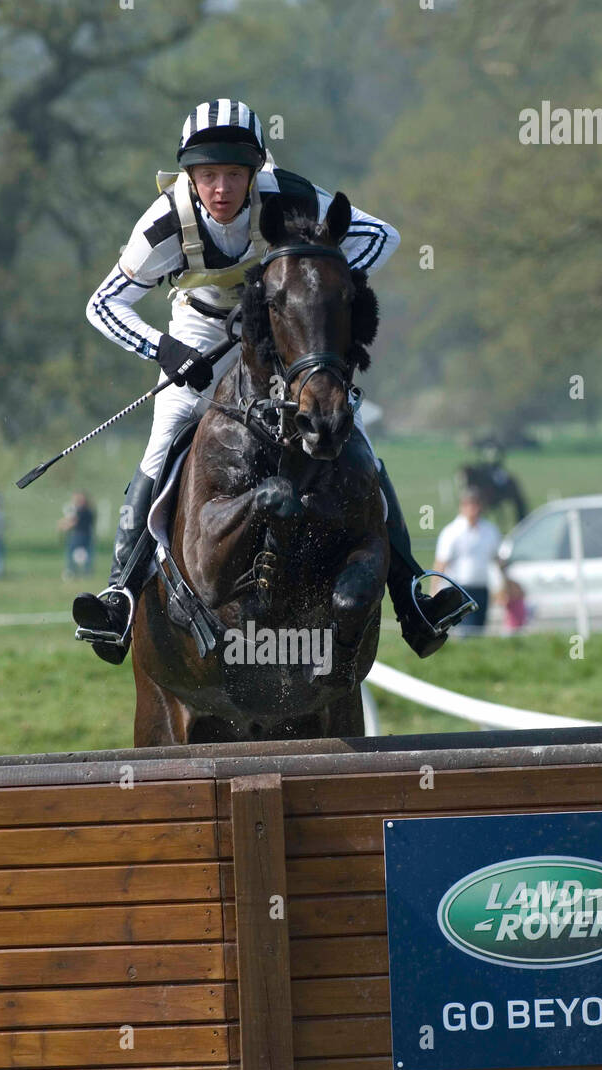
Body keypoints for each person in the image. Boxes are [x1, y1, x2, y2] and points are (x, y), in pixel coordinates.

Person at [72, 98, 443, 665]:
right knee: (166, 434)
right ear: (189, 175)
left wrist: (309, 282)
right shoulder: (164, 223)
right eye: (208, 175)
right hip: (197, 332)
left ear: (254, 173)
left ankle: (411, 591)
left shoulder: (288, 192)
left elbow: (379, 238)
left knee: (351, 433)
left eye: (235, 175)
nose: (222, 188)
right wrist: (165, 350)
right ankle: (121, 592)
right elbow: (102, 305)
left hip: (278, 329)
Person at [433, 488, 502, 634]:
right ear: (462, 506)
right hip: (460, 589)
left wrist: (503, 586)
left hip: (482, 588)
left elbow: (496, 560)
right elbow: (441, 563)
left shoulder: (490, 530)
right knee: (466, 630)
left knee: (480, 628)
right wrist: (434, 589)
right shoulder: (452, 532)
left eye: (476, 504)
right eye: (469, 504)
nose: (473, 509)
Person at [58, 492, 95, 579]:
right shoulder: (86, 510)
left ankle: (71, 571)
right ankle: (84, 572)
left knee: (72, 554)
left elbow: (74, 521)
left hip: (80, 535)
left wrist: (64, 525)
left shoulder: (83, 511)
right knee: (86, 555)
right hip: (85, 535)